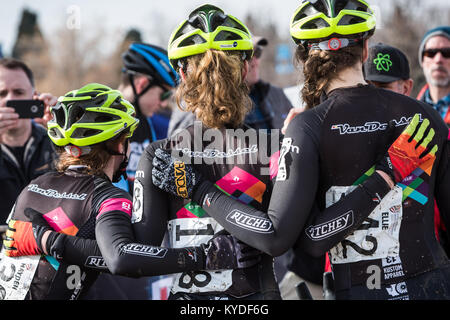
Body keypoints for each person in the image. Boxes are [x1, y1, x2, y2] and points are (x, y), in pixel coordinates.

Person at [152, 0, 450, 300]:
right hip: (433, 286)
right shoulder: (425, 117)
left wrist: (385, 176)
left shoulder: (307, 128)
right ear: (366, 49)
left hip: (358, 292)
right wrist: (391, 172)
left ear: (307, 55)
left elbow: (311, 240)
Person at [0, 83, 257, 300]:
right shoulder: (106, 196)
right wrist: (202, 255)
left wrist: (47, 242)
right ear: (119, 144)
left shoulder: (34, 186)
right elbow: (122, 258)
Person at [167, 35, 293, 136]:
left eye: (258, 53)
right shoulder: (193, 101)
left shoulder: (276, 94)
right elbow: (178, 153)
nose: (253, 61)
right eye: (248, 56)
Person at [116, 42, 179, 194]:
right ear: (142, 85)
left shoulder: (159, 124)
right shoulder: (98, 122)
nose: (164, 103)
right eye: (163, 95)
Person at [0, 58, 57, 223]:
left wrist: (62, 129)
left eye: (18, 92)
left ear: (34, 97)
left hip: (44, 244)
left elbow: (84, 185)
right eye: (2, 93)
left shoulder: (54, 143)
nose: (9, 100)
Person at [417, 26, 450, 125]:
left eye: (447, 53)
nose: (438, 59)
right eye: (430, 53)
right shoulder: (407, 111)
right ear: (422, 61)